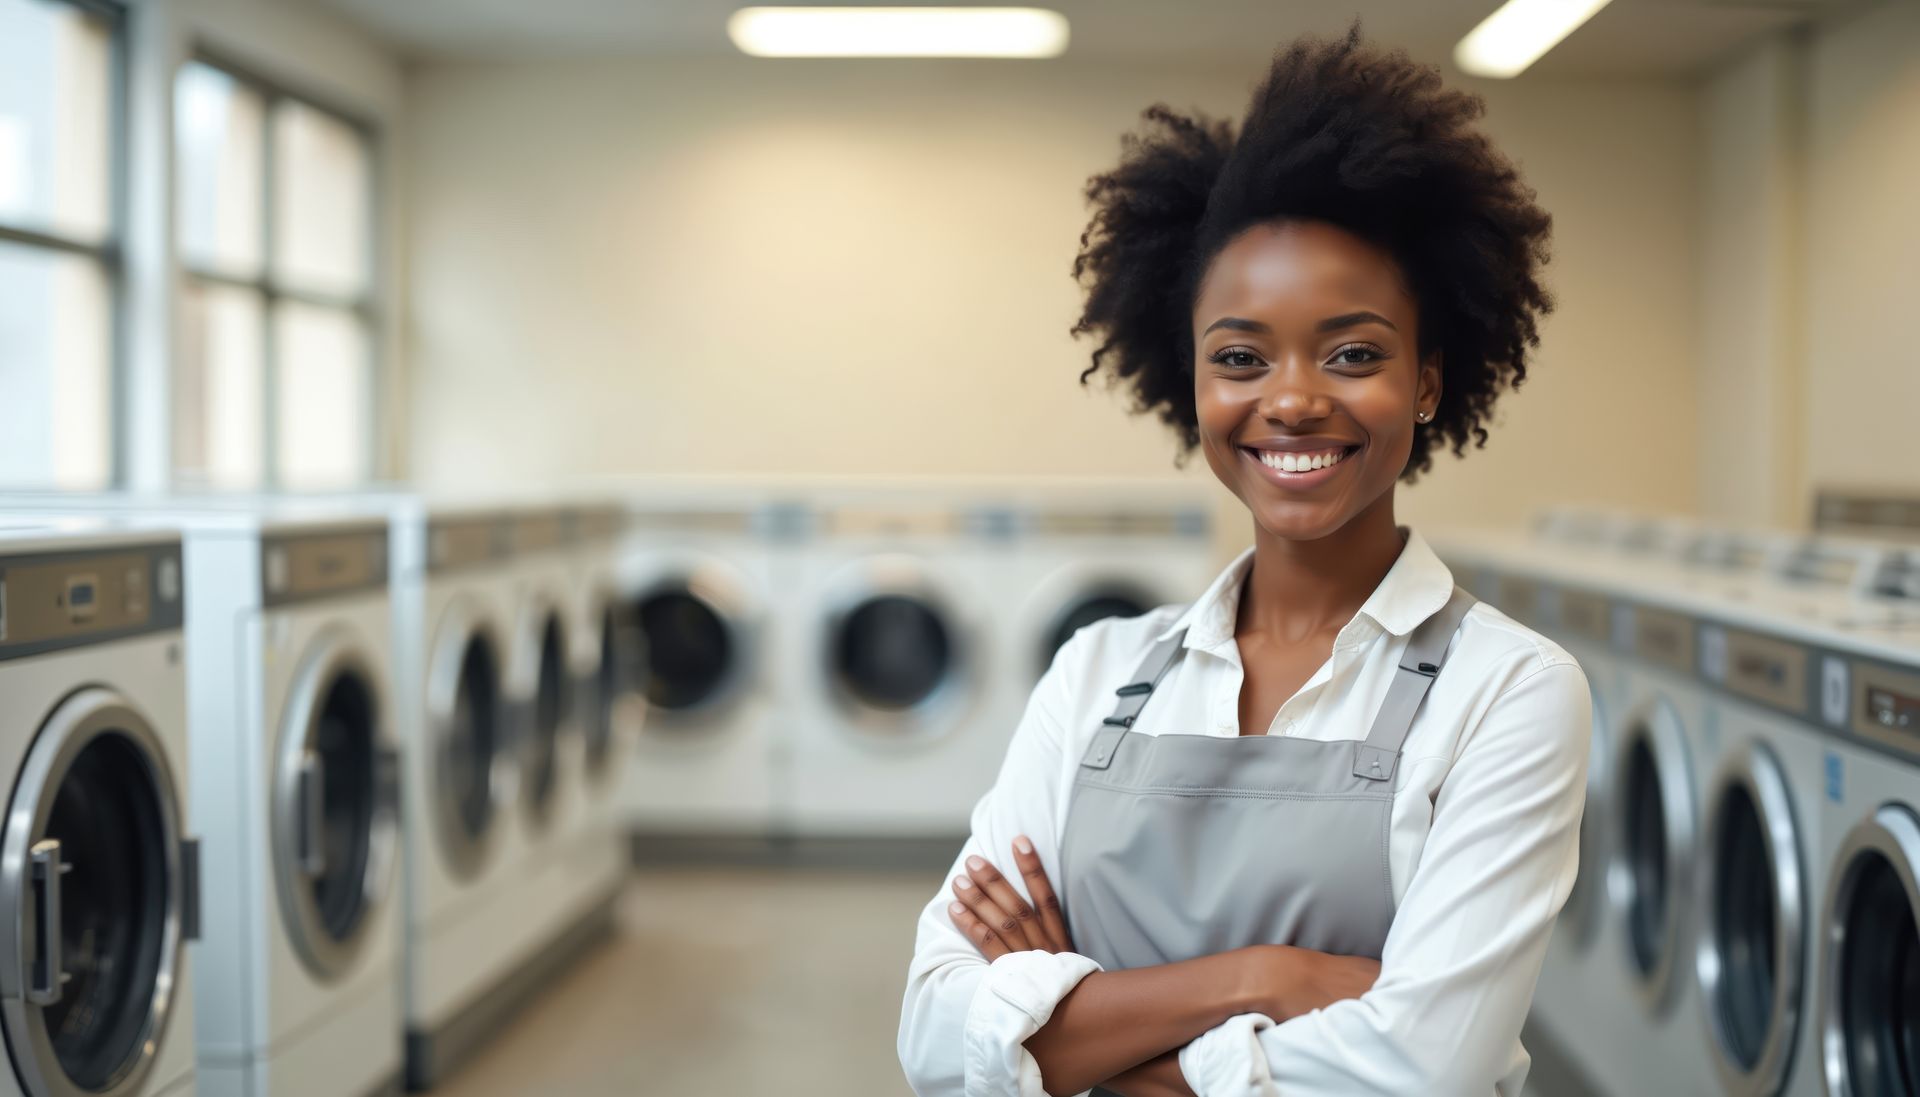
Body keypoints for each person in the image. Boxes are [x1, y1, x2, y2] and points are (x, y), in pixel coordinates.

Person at [897, 25, 1591, 1097]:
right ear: (1193, 383)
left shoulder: (1508, 690)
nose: (1294, 396)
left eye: (1354, 351)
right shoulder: (1097, 672)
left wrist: (1075, 1043)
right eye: (1240, 356)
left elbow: (1419, 1068)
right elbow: (934, 1034)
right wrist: (1269, 977)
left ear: (1427, 381)